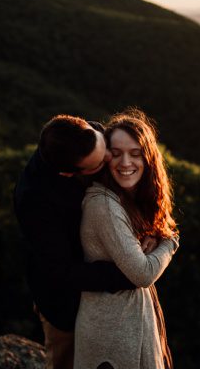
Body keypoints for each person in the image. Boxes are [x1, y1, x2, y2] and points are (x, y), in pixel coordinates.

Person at [12, 114, 158, 368]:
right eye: (100, 162)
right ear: (69, 174)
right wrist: (130, 273)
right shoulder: (35, 200)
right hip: (64, 299)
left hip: (111, 295)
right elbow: (60, 270)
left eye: (105, 146)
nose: (110, 158)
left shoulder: (88, 136)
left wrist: (152, 231)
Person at [74, 108, 178, 369]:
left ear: (149, 157)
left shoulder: (127, 201)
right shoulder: (104, 204)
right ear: (105, 157)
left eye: (135, 153)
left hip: (127, 326)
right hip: (112, 336)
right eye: (117, 153)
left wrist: (155, 236)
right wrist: (169, 242)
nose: (125, 162)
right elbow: (143, 273)